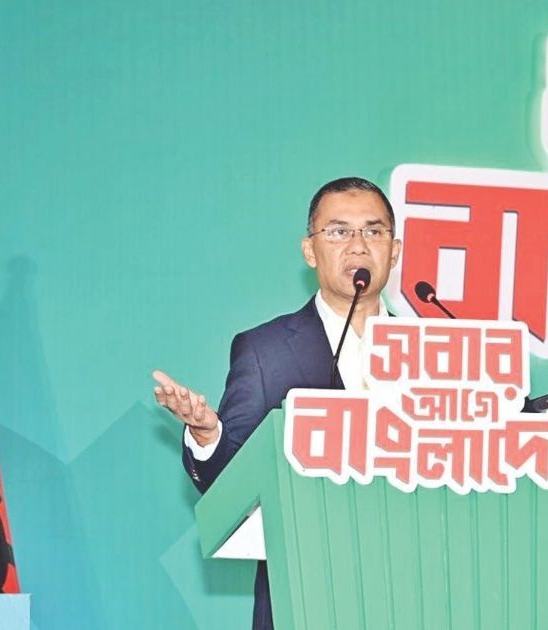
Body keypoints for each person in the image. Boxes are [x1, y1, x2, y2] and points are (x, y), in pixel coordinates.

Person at [152, 176, 400, 630]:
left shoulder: (436, 353)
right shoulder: (266, 351)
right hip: (304, 595)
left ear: (395, 249)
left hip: (409, 591)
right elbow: (229, 481)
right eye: (339, 231)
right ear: (310, 250)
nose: (358, 245)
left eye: (373, 231)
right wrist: (208, 434)